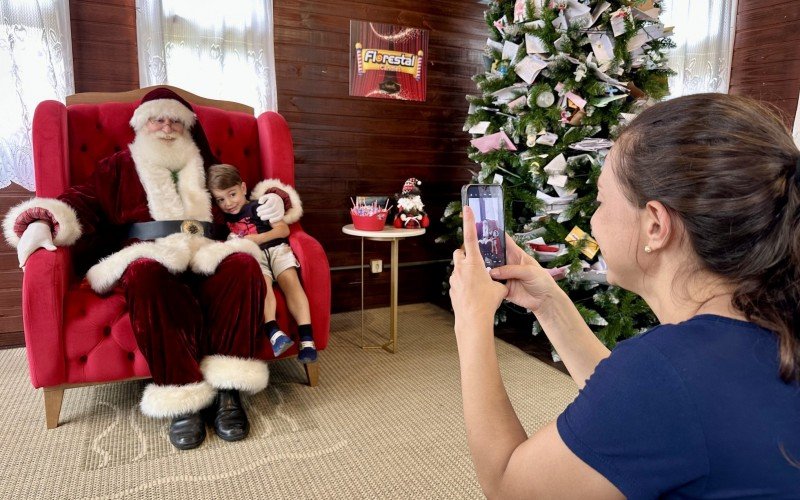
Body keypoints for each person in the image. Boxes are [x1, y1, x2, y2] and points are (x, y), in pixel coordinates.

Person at [449, 93, 800, 498]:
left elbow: (509, 487)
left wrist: (472, 320)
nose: (592, 218)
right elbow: (643, 406)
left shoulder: (663, 377)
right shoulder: (761, 329)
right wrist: (549, 303)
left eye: (599, 200)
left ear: (655, 224)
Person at [3, 88, 294, 451]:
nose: (167, 127)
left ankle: (228, 391)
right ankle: (182, 395)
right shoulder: (118, 166)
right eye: (158, 119)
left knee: (243, 264)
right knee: (145, 273)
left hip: (207, 251)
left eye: (175, 120)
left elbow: (241, 195)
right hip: (151, 253)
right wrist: (41, 220)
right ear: (142, 124)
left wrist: (276, 199)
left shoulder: (206, 164)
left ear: (187, 127)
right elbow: (81, 200)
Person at [207, 163, 318, 364]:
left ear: (243, 188)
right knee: (263, 289)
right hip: (254, 258)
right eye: (220, 199)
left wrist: (258, 239)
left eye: (232, 194)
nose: (228, 203)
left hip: (277, 249)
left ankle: (307, 340)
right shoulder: (224, 221)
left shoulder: (258, 206)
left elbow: (283, 230)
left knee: (291, 283)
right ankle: (275, 333)